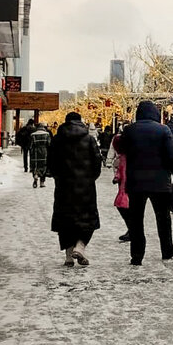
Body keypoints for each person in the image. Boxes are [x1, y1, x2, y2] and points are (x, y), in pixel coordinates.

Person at [115, 100, 173, 265]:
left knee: (136, 219)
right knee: (163, 217)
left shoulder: (130, 130)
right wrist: (168, 172)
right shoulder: (163, 130)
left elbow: (121, 148)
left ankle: (137, 255)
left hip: (136, 183)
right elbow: (172, 156)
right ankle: (167, 249)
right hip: (160, 183)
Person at [47, 112, 101, 267]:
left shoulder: (57, 140)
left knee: (65, 220)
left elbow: (51, 162)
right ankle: (80, 246)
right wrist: (90, 178)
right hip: (86, 187)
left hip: (64, 186)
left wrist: (58, 177)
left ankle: (69, 256)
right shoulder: (89, 139)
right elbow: (97, 161)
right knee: (88, 219)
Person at [110, 130, 131, 243]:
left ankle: (132, 229)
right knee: (124, 207)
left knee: (124, 207)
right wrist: (117, 177)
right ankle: (131, 229)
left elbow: (121, 170)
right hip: (124, 186)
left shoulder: (124, 158)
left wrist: (117, 177)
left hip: (126, 187)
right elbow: (120, 170)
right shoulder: (123, 158)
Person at [28, 123, 52, 188]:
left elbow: (30, 145)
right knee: (44, 166)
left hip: (35, 152)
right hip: (44, 152)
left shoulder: (33, 135)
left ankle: (35, 175)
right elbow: (49, 144)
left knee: (35, 165)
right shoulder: (47, 134)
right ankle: (42, 182)